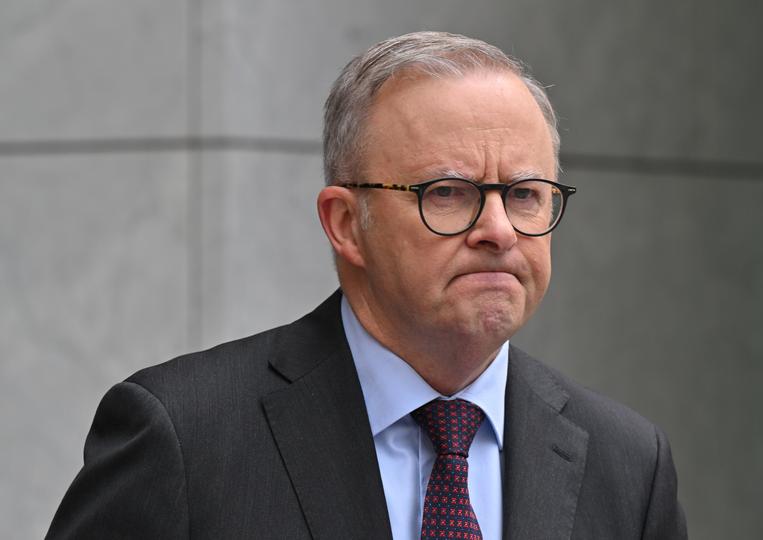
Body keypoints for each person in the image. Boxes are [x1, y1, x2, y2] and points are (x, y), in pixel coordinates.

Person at [46, 31, 687, 539]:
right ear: (346, 224)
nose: (499, 229)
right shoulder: (184, 437)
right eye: (448, 193)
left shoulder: (626, 462)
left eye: (523, 194)